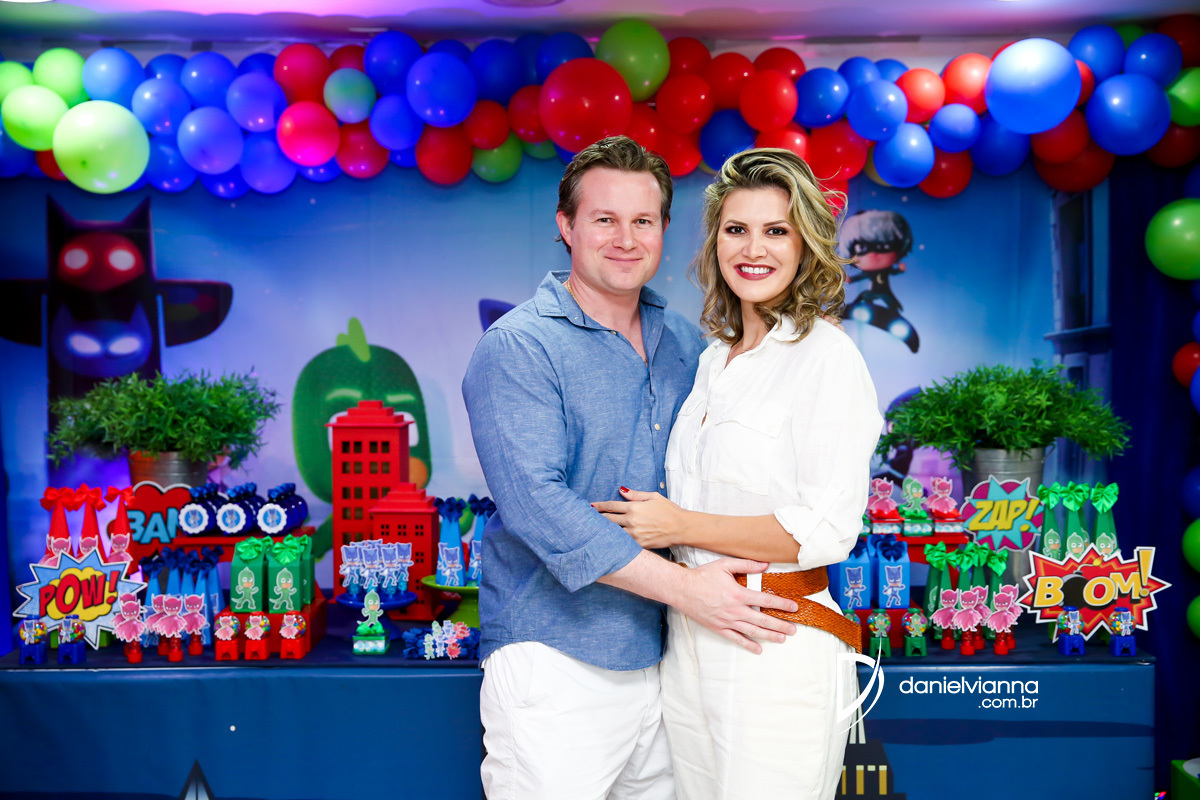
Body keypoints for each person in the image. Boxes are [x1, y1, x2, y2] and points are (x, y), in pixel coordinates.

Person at [461, 136, 801, 800]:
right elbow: (537, 506)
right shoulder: (519, 347)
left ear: (664, 230)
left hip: (670, 658)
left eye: (643, 220)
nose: (625, 238)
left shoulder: (688, 344)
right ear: (566, 226)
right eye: (604, 219)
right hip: (556, 659)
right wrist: (688, 590)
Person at [594, 148, 883, 799]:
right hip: (689, 638)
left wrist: (678, 524)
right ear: (715, 242)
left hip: (776, 638)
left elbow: (824, 529)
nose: (753, 249)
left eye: (776, 230)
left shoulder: (827, 358)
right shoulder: (713, 361)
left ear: (806, 244)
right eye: (736, 229)